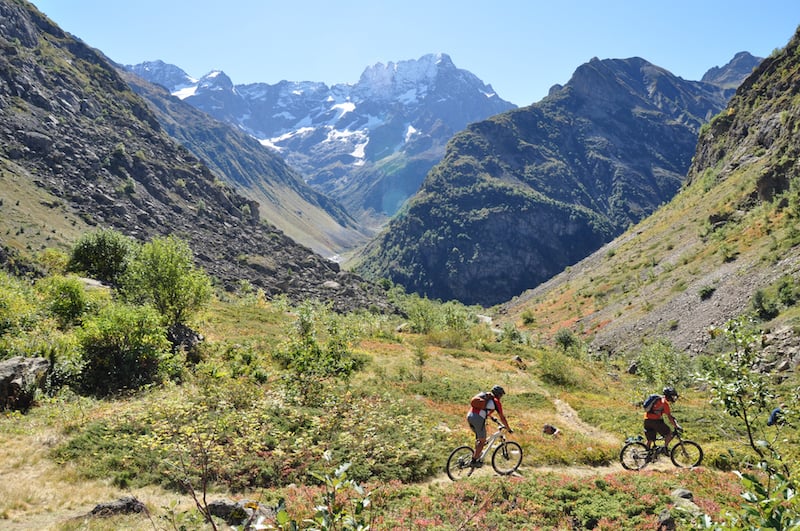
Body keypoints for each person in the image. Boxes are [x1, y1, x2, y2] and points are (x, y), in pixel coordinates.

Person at [467, 385, 512, 465]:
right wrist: (508, 428)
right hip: (478, 419)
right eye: (501, 395)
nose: (501, 397)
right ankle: (473, 462)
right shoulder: (496, 401)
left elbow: (483, 409)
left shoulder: (484, 396)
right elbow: (502, 417)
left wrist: (492, 417)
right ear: (499, 394)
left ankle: (476, 454)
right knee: (482, 441)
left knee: (479, 439)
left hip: (470, 416)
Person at [644, 386, 681, 453]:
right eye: (672, 396)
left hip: (647, 420)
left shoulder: (658, 400)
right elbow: (669, 417)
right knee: (669, 433)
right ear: (669, 396)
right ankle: (665, 449)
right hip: (655, 421)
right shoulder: (664, 403)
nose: (673, 398)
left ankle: (647, 454)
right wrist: (676, 426)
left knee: (650, 439)